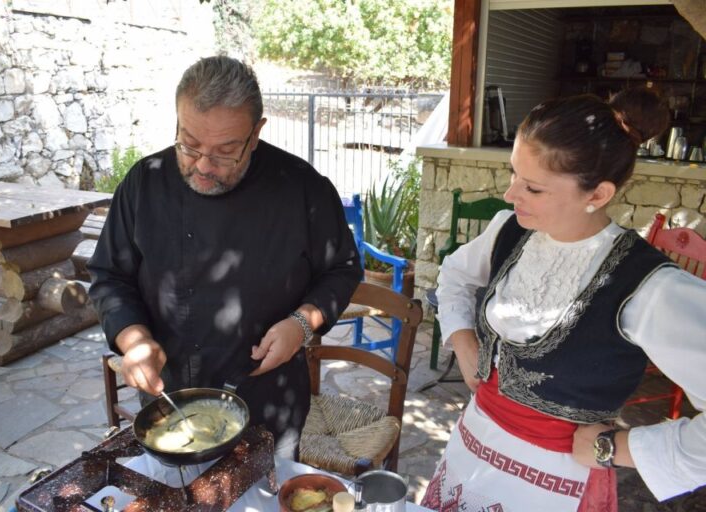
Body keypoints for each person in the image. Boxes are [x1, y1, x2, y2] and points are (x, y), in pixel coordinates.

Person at [421, 89, 706, 511]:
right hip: (472, 444)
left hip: (553, 479)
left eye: (533, 187)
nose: (510, 194)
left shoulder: (649, 287)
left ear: (597, 195)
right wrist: (462, 339)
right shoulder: (509, 229)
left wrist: (618, 448)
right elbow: (456, 276)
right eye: (514, 174)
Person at [87, 55, 363, 459]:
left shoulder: (303, 188)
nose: (203, 165)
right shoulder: (144, 182)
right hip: (170, 400)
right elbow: (110, 274)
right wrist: (135, 340)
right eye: (189, 144)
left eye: (225, 151)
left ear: (255, 134)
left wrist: (302, 325)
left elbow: (342, 269)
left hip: (268, 400)